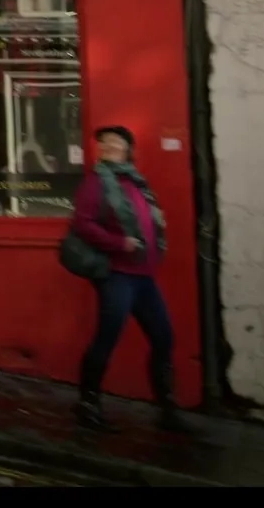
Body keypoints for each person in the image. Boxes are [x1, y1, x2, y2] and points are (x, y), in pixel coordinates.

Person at [69, 125, 190, 435]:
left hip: (144, 276)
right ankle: (88, 404)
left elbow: (146, 218)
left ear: (128, 151)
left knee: (163, 337)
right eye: (105, 144)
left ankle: (166, 408)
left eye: (117, 144)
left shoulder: (136, 181)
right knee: (107, 338)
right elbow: (82, 224)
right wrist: (118, 243)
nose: (109, 148)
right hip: (117, 275)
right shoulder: (96, 182)